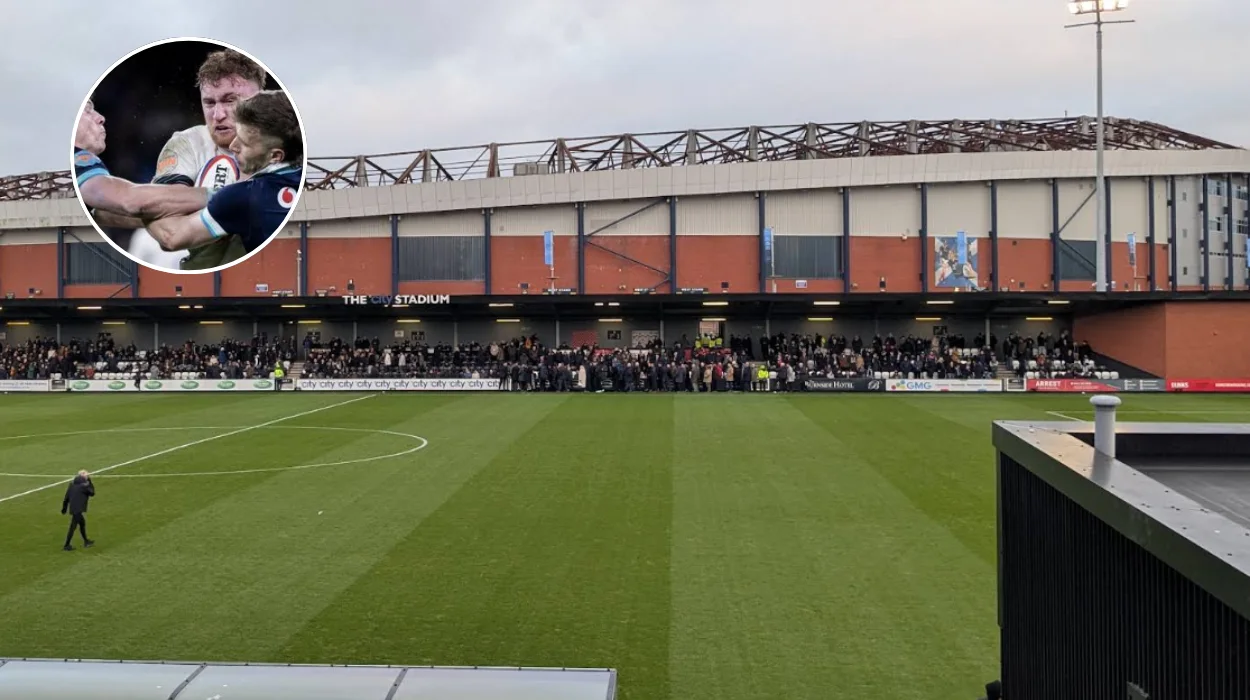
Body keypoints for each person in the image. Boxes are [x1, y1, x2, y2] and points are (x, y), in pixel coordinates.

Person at [127, 48, 267, 270]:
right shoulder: (187, 144)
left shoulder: (287, 145)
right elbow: (166, 217)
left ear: (259, 100)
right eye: (209, 103)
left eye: (230, 101)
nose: (218, 115)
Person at [147, 90, 303, 256]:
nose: (232, 146)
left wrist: (147, 207)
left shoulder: (244, 197)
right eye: (237, 135)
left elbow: (170, 237)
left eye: (244, 143)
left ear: (275, 156)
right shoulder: (299, 178)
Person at [73, 100, 209, 221]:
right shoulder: (79, 159)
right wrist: (217, 196)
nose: (101, 118)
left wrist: (182, 203)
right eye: (88, 110)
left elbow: (112, 212)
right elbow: (130, 201)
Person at [61, 470, 95, 551]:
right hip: (78, 509)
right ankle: (66, 545)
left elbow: (66, 498)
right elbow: (92, 493)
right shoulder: (84, 486)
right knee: (73, 527)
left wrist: (64, 508)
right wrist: (90, 481)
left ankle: (86, 541)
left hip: (74, 508)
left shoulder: (72, 485)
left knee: (82, 523)